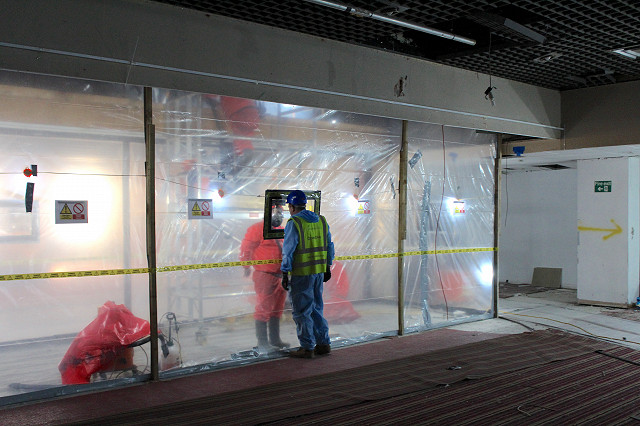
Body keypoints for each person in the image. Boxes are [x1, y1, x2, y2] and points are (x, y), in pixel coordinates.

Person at [280, 190, 335, 359]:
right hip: (318, 272)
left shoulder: (294, 223)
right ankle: (323, 343)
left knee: (302, 311)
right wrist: (327, 266)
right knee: (316, 308)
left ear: (291, 206)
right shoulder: (321, 220)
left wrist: (284, 272)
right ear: (305, 204)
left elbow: (288, 250)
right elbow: (329, 246)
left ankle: (307, 347)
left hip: (302, 274)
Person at [240, 205, 289, 353]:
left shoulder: (281, 230)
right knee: (263, 308)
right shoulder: (256, 229)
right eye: (277, 211)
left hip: (280, 276)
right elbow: (246, 248)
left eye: (281, 211)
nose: (279, 214)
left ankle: (275, 340)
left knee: (277, 309)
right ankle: (262, 342)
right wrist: (246, 266)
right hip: (265, 276)